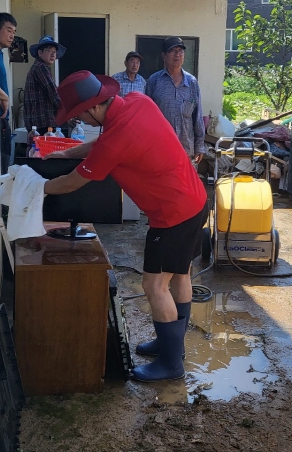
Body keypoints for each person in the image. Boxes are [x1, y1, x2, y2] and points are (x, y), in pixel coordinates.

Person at [42, 71, 207, 383]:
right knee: (180, 273)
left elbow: (70, 183)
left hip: (171, 216)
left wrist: (35, 187)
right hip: (195, 201)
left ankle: (171, 363)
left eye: (79, 116)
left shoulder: (116, 139)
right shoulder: (137, 101)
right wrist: (65, 151)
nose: (81, 123)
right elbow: (99, 144)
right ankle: (172, 345)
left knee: (154, 286)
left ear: (92, 109)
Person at [145, 37, 206, 164]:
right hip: (160, 149)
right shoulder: (154, 81)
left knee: (185, 183)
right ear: (164, 56)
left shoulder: (192, 82)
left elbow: (198, 117)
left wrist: (199, 146)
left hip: (186, 149)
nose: (177, 54)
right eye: (172, 51)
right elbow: (147, 117)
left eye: (180, 51)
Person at [21, 35, 65, 136]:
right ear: (40, 53)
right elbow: (53, 92)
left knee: (36, 150)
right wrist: (66, 112)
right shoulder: (41, 67)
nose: (53, 54)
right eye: (49, 51)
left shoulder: (38, 67)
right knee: (45, 150)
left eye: (55, 51)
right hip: (42, 122)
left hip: (36, 123)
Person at [0, 13, 17, 171]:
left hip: (3, 119)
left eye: (14, 32)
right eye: (9, 30)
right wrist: (4, 96)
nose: (11, 36)